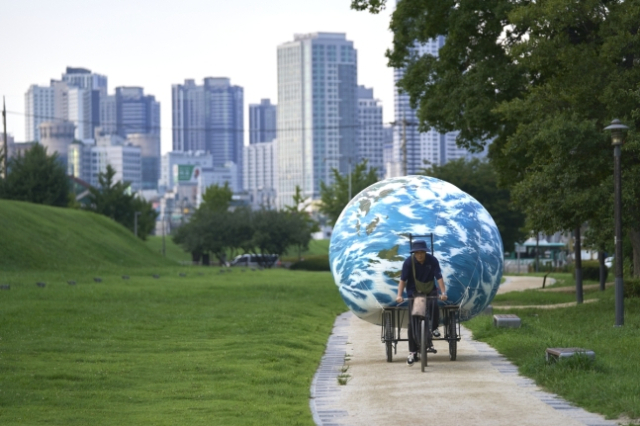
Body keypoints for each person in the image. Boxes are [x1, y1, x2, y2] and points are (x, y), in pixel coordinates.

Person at [396, 240, 447, 366]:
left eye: (422, 252)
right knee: (413, 320)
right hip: (415, 292)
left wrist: (443, 293)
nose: (419, 255)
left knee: (434, 303)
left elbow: (439, 277)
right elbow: (403, 280)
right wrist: (399, 295)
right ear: (414, 253)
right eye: (417, 253)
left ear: (425, 252)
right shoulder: (409, 262)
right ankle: (412, 351)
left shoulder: (432, 260)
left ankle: (434, 327)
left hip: (430, 289)